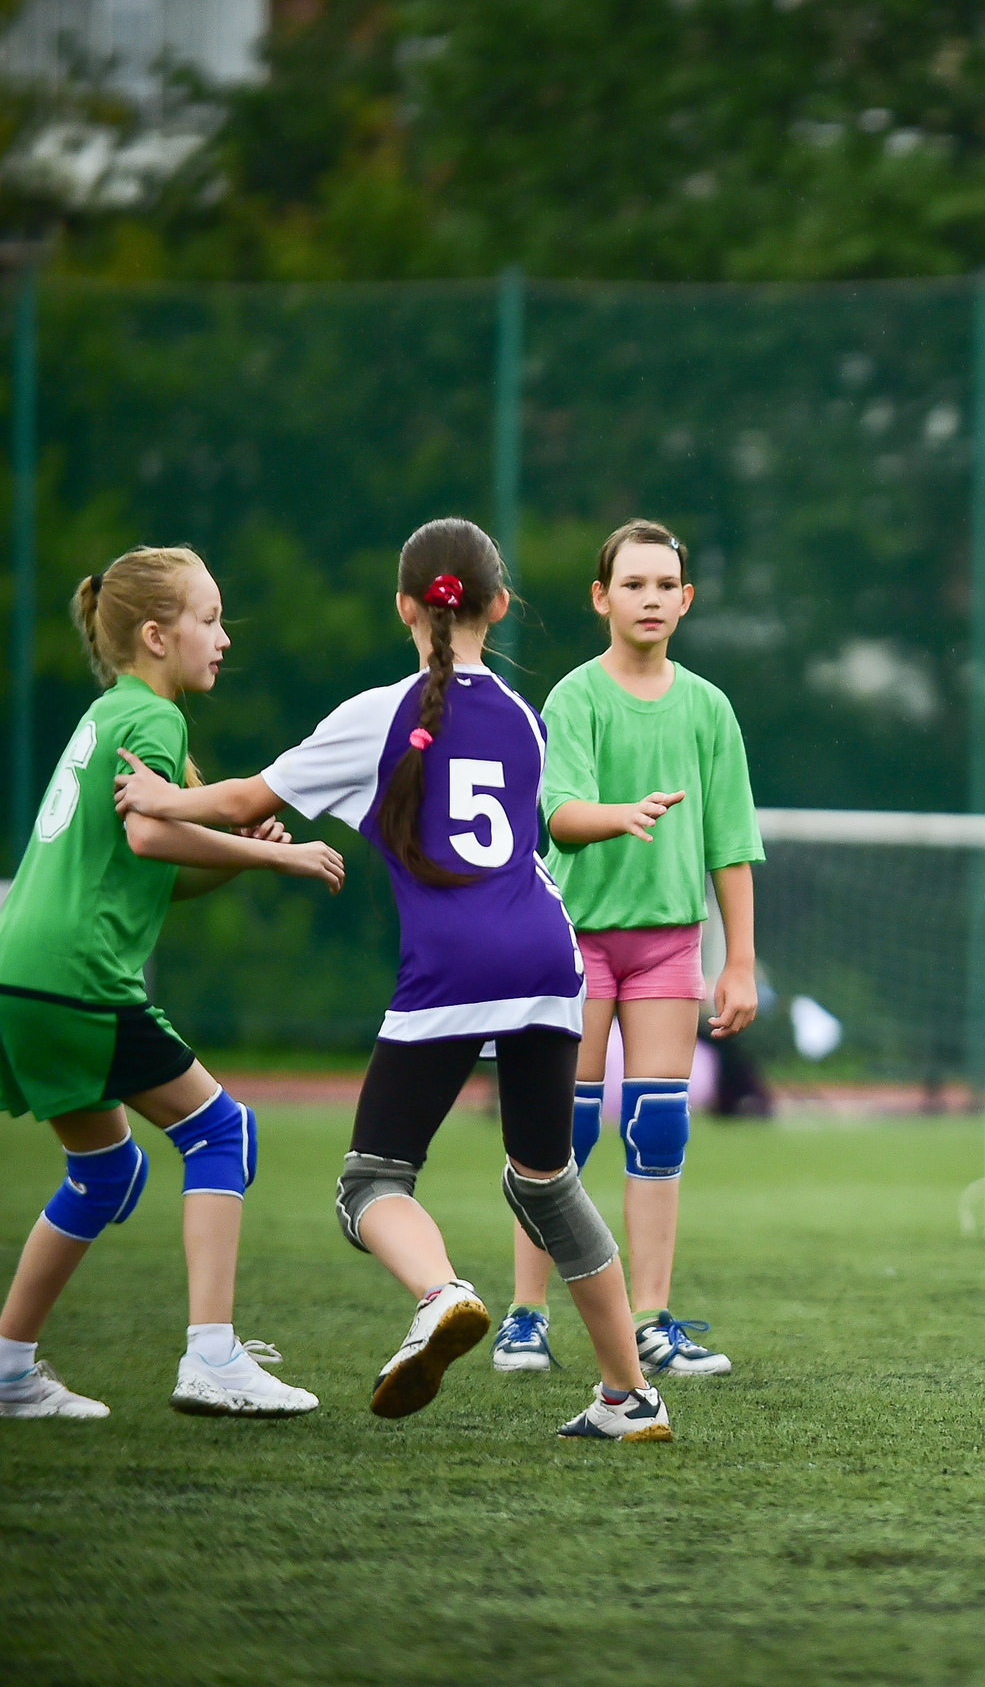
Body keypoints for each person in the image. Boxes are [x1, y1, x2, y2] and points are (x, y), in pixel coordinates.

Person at [115, 519, 675, 1442]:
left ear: (405, 607)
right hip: (548, 959)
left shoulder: (380, 713)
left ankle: (443, 1292)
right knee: (546, 1181)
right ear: (498, 607)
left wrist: (160, 798)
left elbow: (249, 800)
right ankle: (628, 1396)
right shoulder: (526, 720)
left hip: (454, 967)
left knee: (371, 1183)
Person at [0, 546, 343, 1421]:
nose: (224, 637)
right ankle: (213, 1356)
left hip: (21, 975)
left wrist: (242, 860)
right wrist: (290, 856)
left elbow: (163, 866)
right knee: (223, 1131)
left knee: (105, 1170)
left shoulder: (109, 711)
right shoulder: (154, 720)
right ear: (156, 635)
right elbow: (155, 838)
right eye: (210, 618)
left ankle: (7, 1367)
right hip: (80, 975)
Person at [493, 519, 762, 1380]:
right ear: (602, 598)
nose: (650, 598)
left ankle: (653, 1320)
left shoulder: (709, 707)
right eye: (632, 584)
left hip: (668, 951)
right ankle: (526, 1317)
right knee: (556, 1133)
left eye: (665, 585)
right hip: (574, 947)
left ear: (685, 601)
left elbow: (732, 843)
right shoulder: (575, 699)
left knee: (658, 1128)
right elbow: (558, 815)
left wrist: (741, 961)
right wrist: (623, 815)